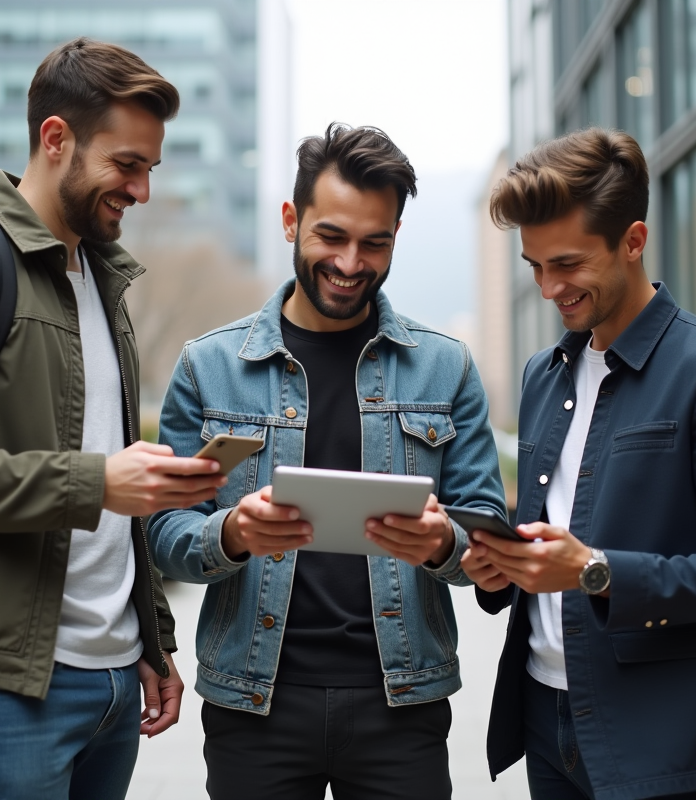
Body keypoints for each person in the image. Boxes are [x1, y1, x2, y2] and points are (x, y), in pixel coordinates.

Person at [0, 38, 227, 800]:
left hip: (116, 682)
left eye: (151, 169)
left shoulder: (103, 284)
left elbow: (117, 490)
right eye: (127, 165)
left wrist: (152, 640)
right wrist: (97, 481)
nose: (142, 190)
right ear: (55, 139)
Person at [149, 123, 507, 800]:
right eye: (332, 237)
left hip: (402, 706)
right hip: (253, 705)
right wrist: (229, 534)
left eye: (375, 242)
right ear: (291, 221)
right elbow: (163, 534)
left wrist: (442, 545)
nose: (351, 263)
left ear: (397, 236)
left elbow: (487, 529)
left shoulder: (446, 366)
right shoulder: (209, 366)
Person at [460, 128, 696, 800]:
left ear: (633, 242)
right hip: (543, 715)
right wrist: (499, 569)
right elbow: (549, 534)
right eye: (535, 267)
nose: (551, 288)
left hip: (653, 733)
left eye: (570, 264)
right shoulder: (541, 375)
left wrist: (595, 571)